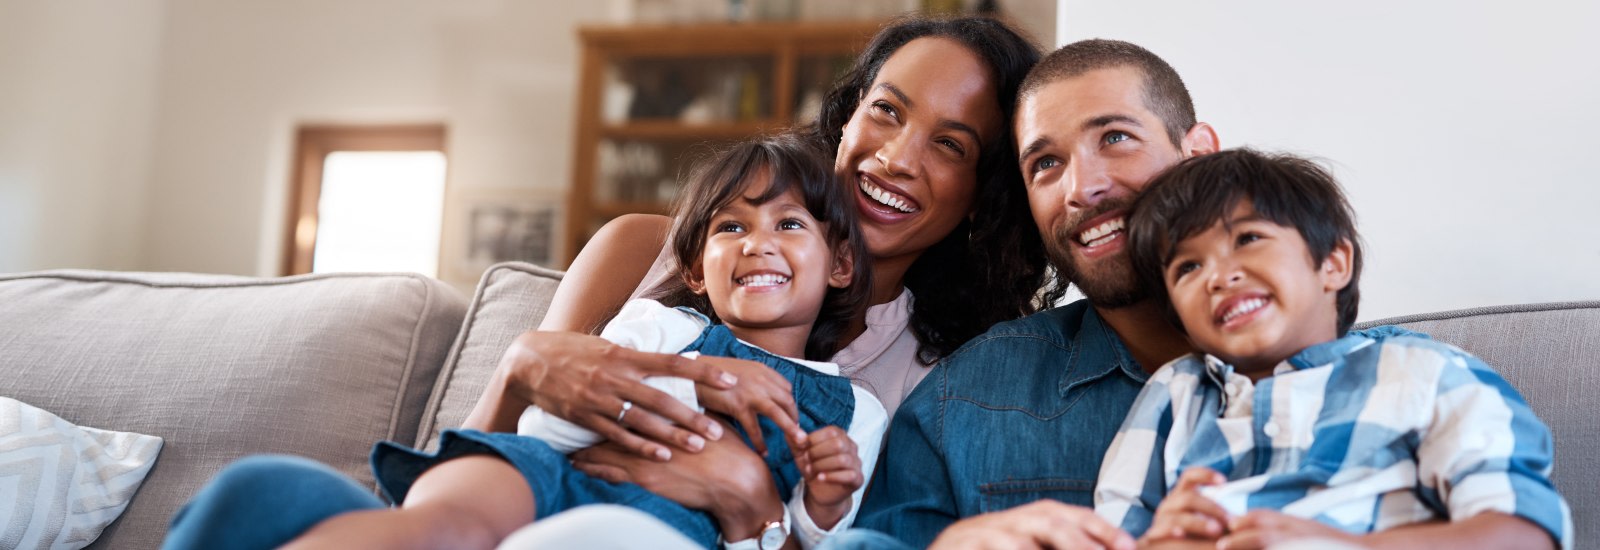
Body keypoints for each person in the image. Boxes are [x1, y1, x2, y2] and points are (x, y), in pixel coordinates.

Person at [843, 39, 1560, 550]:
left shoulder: (1411, 380)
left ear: (1198, 153)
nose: (1082, 188)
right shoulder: (967, 395)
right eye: (1045, 163)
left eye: (1116, 138)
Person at [470, 14, 1054, 545]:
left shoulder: (938, 383)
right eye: (886, 111)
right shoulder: (635, 251)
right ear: (847, 119)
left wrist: (751, 500)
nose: (897, 158)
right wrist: (518, 370)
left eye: (950, 145)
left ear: (984, 193)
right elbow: (471, 465)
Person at [166, 135, 890, 549]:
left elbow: (811, 535)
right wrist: (689, 376)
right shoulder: (663, 328)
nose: (758, 244)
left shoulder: (854, 408)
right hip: (535, 470)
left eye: (789, 225)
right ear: (696, 270)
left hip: (669, 527)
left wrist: (822, 498)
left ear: (843, 263)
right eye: (731, 227)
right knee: (438, 526)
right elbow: (552, 422)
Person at [1097, 148, 1570, 549]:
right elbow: (1113, 531)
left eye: (1248, 238)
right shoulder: (1175, 392)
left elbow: (1525, 530)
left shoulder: (1424, 372)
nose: (1220, 276)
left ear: (1333, 263)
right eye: (1187, 268)